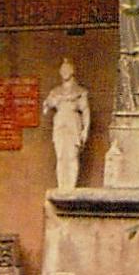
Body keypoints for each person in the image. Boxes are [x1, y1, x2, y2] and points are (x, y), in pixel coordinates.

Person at [42, 60, 90, 190]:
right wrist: (48, 104)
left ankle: (71, 186)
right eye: (63, 70)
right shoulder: (56, 91)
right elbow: (47, 105)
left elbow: (85, 111)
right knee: (61, 156)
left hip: (73, 123)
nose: (65, 72)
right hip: (60, 123)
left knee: (72, 155)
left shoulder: (79, 91)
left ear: (72, 71)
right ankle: (62, 186)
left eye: (67, 69)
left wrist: (85, 129)